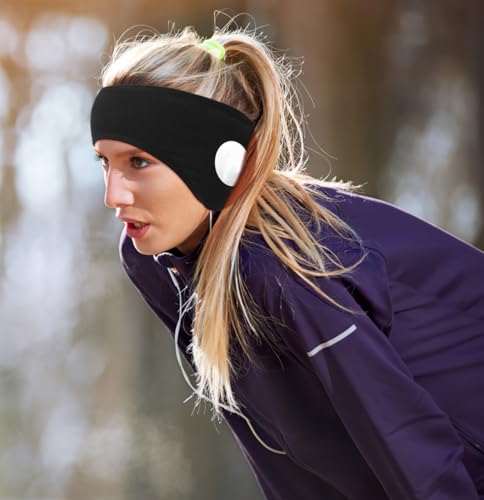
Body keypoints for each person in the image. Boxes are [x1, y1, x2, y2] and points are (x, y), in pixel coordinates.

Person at [89, 18, 484, 500]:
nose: (113, 195)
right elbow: (273, 435)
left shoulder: (282, 269)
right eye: (104, 161)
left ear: (220, 162)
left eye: (139, 162)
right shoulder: (153, 259)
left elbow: (406, 438)